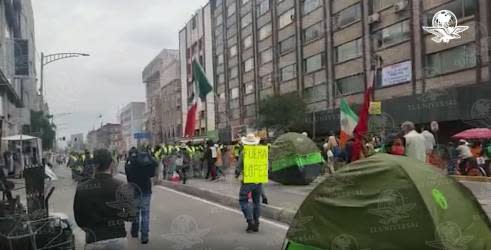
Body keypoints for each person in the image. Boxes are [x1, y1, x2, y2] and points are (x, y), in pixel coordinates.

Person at [73, 149, 132, 250]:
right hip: (118, 238)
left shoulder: (82, 188)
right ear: (111, 164)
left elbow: (79, 219)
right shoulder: (121, 185)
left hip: (94, 240)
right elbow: (130, 215)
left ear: (94, 165)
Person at [125, 147, 158, 244]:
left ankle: (134, 232)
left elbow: (129, 179)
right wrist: (149, 156)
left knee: (135, 213)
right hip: (146, 190)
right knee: (145, 214)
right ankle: (144, 236)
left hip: (134, 191)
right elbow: (154, 165)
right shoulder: (146, 163)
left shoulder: (128, 166)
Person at [235, 133, 263, 233]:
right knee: (256, 202)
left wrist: (236, 174)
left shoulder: (244, 152)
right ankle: (257, 222)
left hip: (248, 180)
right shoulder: (261, 151)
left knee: (243, 200)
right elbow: (267, 166)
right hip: (259, 179)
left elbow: (239, 166)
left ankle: (250, 221)